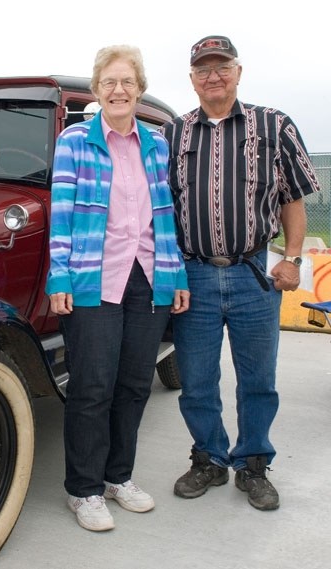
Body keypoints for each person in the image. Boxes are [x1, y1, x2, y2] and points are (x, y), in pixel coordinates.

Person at [161, 35, 321, 511]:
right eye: (203, 69)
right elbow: (161, 207)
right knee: (196, 379)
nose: (213, 76)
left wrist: (291, 258)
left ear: (238, 72)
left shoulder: (274, 125)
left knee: (258, 379)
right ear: (192, 79)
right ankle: (209, 458)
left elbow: (293, 197)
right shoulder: (173, 134)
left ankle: (253, 464)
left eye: (222, 66)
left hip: (255, 274)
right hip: (195, 277)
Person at [46, 45, 190, 532]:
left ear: (140, 89)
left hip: (148, 277)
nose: (119, 90)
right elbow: (61, 216)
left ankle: (117, 478)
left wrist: (176, 276)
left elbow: (166, 218)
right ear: (96, 90)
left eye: (127, 81)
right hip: (92, 277)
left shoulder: (156, 145)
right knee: (92, 386)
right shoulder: (75, 141)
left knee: (133, 385)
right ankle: (83, 490)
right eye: (109, 82)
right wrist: (58, 277)